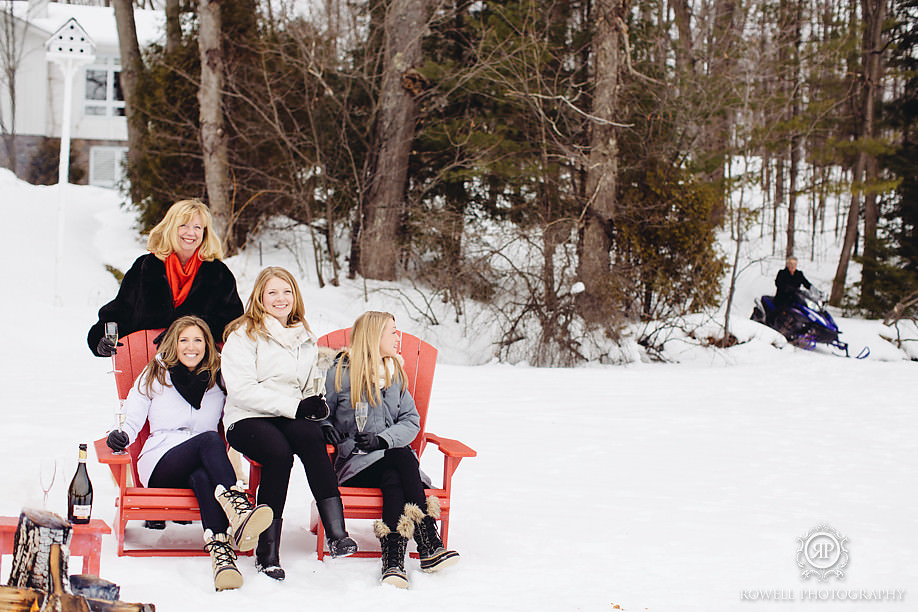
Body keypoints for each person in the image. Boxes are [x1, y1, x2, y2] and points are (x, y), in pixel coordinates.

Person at [103, 315, 273, 591]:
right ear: (174, 344)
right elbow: (131, 416)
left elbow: (243, 410)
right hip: (161, 462)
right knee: (209, 440)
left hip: (203, 464)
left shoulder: (220, 378)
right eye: (184, 340)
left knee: (203, 478)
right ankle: (239, 509)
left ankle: (222, 558)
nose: (191, 347)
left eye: (198, 340)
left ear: (207, 345)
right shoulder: (156, 374)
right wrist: (120, 434)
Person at [220, 266, 358, 581]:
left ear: (295, 296)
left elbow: (310, 385)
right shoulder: (243, 335)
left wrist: (317, 406)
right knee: (278, 454)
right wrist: (296, 406)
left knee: (311, 438)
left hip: (289, 416)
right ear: (259, 297)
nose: (281, 299)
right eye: (273, 292)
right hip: (247, 417)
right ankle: (266, 553)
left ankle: (337, 534)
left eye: (287, 292)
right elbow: (242, 390)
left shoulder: (304, 337)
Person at [323, 311, 459, 588]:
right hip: (356, 463)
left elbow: (412, 420)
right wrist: (325, 427)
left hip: (392, 463)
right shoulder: (340, 373)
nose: (398, 338)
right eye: (392, 332)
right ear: (374, 337)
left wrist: (383, 439)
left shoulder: (395, 373)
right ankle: (428, 541)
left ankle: (394, 562)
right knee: (401, 457)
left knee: (394, 475)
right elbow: (321, 412)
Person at [87, 199, 243, 357]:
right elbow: (119, 312)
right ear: (170, 228)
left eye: (197, 227)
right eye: (184, 226)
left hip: (196, 368)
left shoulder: (218, 273)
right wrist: (100, 339)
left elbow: (233, 324)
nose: (191, 233)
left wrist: (186, 333)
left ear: (205, 233)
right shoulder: (145, 267)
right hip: (146, 361)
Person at [772, 255, 812, 324]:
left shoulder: (799, 274)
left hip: (795, 298)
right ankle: (775, 323)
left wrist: (813, 290)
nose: (792, 266)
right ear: (787, 264)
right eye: (791, 264)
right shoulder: (782, 273)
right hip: (782, 298)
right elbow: (778, 283)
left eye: (794, 264)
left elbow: (806, 283)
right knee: (781, 309)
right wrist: (786, 288)